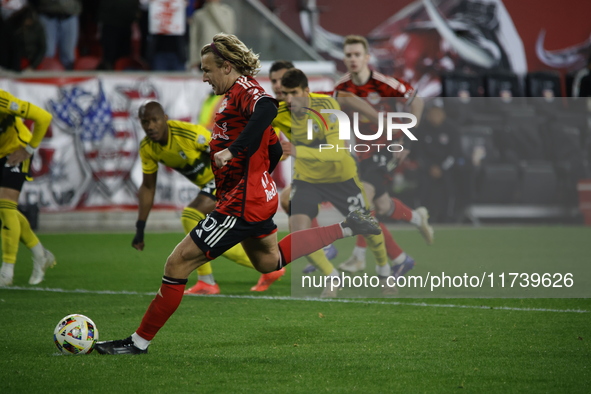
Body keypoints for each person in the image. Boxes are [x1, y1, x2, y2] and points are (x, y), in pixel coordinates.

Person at [94, 33, 380, 355]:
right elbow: (272, 146)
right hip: (255, 196)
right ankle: (348, 226)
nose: (204, 76)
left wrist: (235, 151)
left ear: (227, 67)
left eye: (207, 69)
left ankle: (138, 342)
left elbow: (267, 109)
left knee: (176, 265)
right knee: (268, 261)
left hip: (242, 202)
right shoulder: (233, 97)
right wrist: (256, 171)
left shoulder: (244, 90)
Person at [134, 101, 284, 294]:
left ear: (165, 119)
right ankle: (272, 268)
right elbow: (148, 187)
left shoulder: (188, 134)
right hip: (216, 189)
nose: (150, 126)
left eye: (154, 120)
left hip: (230, 182)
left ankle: (206, 282)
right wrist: (140, 227)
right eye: (145, 122)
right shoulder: (147, 148)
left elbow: (225, 149)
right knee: (218, 237)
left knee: (191, 215)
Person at [273, 68, 391, 297]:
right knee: (298, 230)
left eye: (294, 93)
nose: (289, 99)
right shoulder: (278, 112)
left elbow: (337, 152)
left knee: (369, 228)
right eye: (284, 93)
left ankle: (384, 270)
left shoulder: (327, 107)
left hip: (340, 176)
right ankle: (331, 275)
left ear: (307, 91)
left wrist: (296, 150)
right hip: (307, 179)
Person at [335, 35, 433, 279]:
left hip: (389, 146)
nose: (353, 59)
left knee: (363, 199)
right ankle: (415, 217)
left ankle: (364, 257)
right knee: (382, 206)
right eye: (349, 55)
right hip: (362, 154)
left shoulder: (384, 83)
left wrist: (408, 140)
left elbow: (417, 102)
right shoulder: (342, 88)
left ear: (367, 57)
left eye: (358, 54)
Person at [0, 89, 56, 286]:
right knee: (7, 211)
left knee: (5, 207)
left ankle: (6, 271)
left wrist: (29, 148)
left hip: (17, 150)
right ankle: (41, 254)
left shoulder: (3, 100)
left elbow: (43, 117)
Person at [32, 0, 82, 70]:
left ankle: (68, 78)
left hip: (70, 13)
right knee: (47, 53)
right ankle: (46, 79)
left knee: (68, 54)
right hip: (47, 13)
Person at [188, 0, 235, 69]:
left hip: (222, 57)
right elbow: (193, 40)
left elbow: (229, 32)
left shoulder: (227, 12)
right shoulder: (199, 14)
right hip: (204, 58)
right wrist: (193, 60)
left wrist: (213, 7)